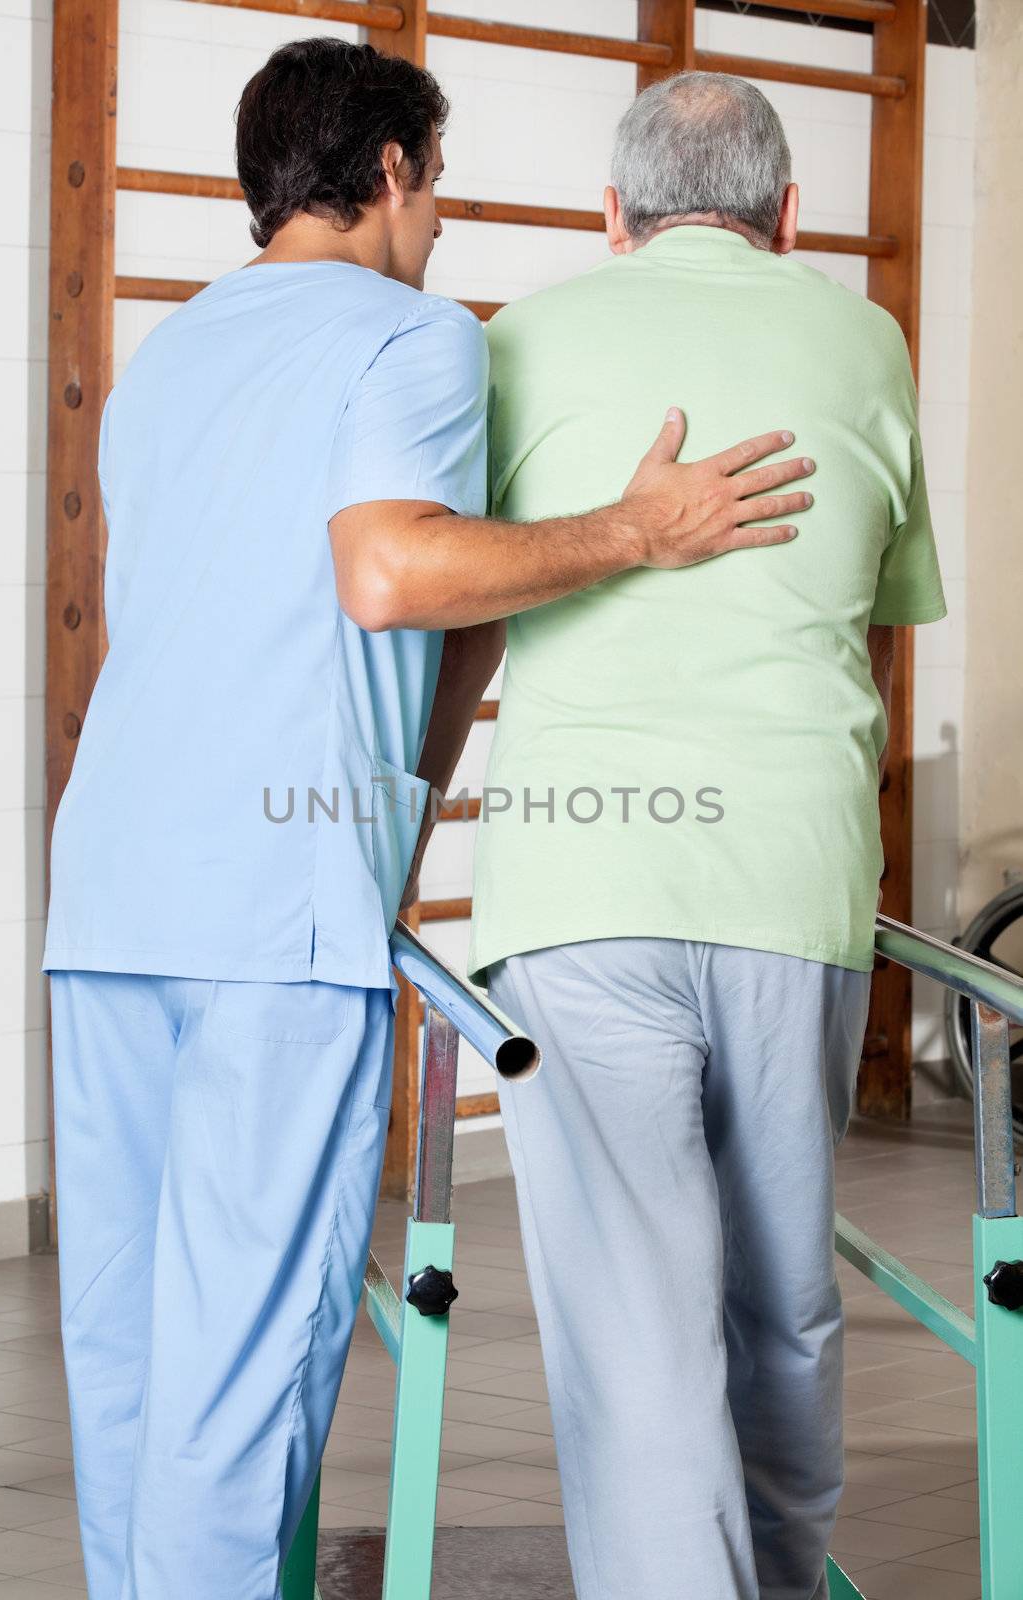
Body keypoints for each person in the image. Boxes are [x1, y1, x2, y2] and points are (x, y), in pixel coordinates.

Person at [41, 40, 817, 1600]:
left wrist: (409, 792)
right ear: (393, 171)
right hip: (277, 917)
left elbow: (368, 627)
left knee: (126, 1357)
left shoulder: (170, 355)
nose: (441, 218)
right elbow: (388, 574)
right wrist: (630, 532)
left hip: (111, 891)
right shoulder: (413, 335)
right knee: (246, 1372)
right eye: (438, 182)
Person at [463, 72, 947, 1600]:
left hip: (577, 880)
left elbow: (465, 590)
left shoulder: (517, 338)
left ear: (613, 214)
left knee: (635, 1314)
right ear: (788, 213)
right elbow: (881, 618)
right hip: (792, 875)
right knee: (783, 1297)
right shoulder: (863, 339)